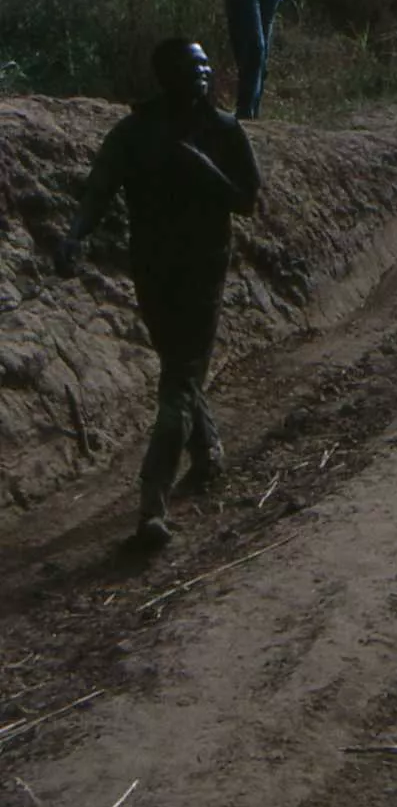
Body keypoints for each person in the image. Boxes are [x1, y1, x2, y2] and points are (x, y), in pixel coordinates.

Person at [56, 39, 261, 548]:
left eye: (205, 65)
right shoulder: (134, 134)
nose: (204, 73)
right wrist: (74, 236)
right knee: (180, 368)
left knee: (178, 382)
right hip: (152, 270)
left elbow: (246, 201)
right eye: (192, 66)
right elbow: (99, 190)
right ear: (165, 74)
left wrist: (201, 168)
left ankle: (153, 501)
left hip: (203, 270)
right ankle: (209, 450)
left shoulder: (223, 131)